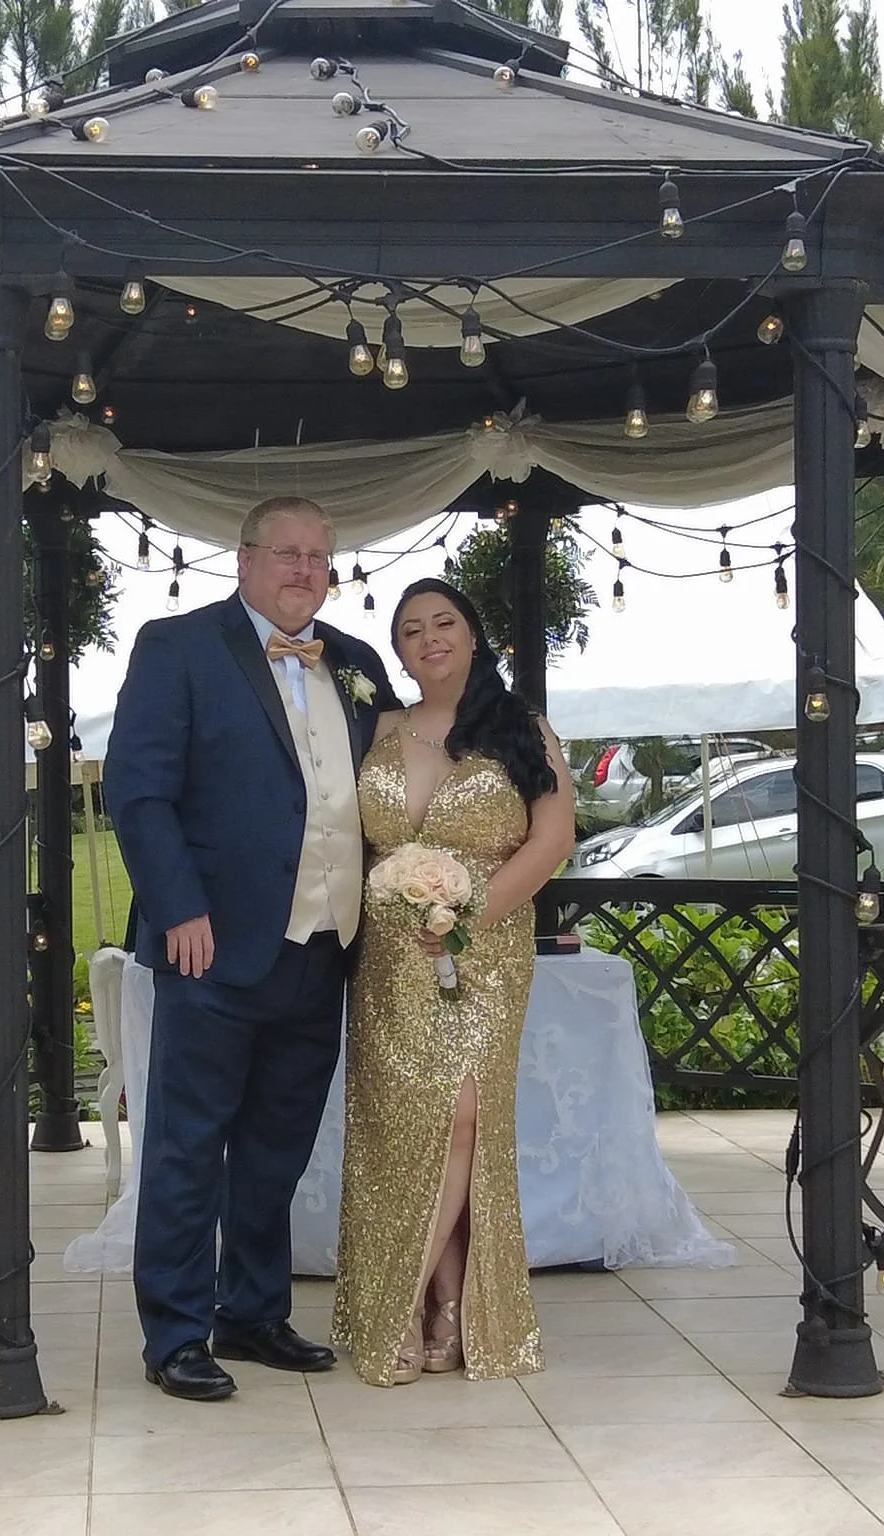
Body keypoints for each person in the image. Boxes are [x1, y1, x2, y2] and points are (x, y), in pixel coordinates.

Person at [104, 495, 402, 1402]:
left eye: (320, 555)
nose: (305, 570)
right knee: (189, 1145)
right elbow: (137, 789)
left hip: (324, 944)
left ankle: (253, 1311)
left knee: (278, 1146)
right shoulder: (177, 647)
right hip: (212, 946)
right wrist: (178, 906)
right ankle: (176, 1333)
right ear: (243, 560)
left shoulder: (355, 662)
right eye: (287, 552)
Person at [331, 577, 577, 1386]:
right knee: (402, 1129)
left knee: (466, 1114)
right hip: (390, 957)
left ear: (474, 636)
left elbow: (552, 838)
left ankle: (404, 1303)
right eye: (410, 630)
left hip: (487, 947)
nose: (428, 638)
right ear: (397, 651)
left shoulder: (520, 727)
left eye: (444, 622)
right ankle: (439, 1301)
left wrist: (466, 923)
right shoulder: (378, 726)